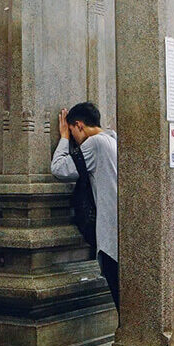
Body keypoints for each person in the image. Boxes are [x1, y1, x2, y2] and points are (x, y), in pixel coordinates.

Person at [50, 102, 119, 311]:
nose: (74, 139)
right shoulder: (113, 140)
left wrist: (63, 138)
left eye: (72, 132)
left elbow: (60, 168)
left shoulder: (95, 143)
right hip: (121, 233)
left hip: (111, 237)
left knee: (122, 299)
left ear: (79, 125)